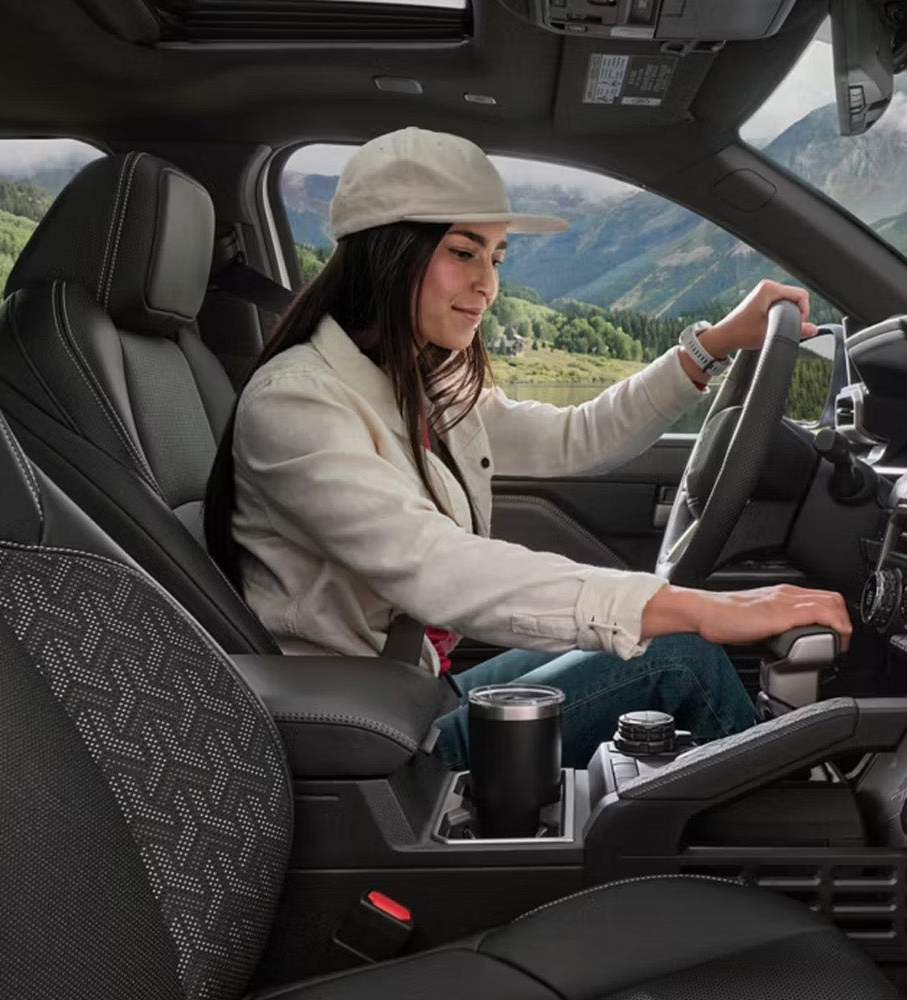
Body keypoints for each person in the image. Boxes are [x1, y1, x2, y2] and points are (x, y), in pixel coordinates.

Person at [206, 127, 852, 769]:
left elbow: (577, 437)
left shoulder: (417, 384)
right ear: (387, 252)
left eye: (497, 257)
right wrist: (703, 609)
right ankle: (780, 851)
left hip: (418, 691)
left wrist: (705, 347)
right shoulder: (297, 404)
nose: (488, 284)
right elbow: (438, 566)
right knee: (681, 651)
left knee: (669, 635)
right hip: (372, 744)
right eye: (463, 252)